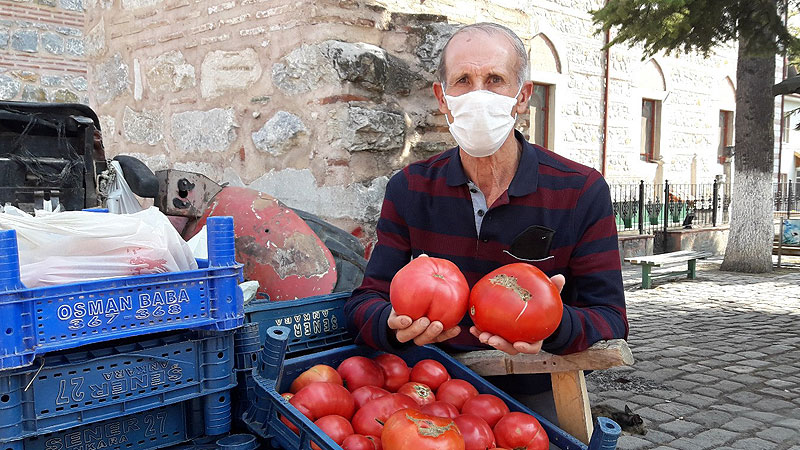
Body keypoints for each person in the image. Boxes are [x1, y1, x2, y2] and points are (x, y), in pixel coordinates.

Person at [344, 22, 627, 362]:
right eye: (463, 81)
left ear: (522, 96)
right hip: (432, 380)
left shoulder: (581, 190)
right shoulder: (409, 188)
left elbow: (611, 318)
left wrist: (552, 324)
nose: (478, 95)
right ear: (442, 99)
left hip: (538, 379)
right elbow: (364, 302)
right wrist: (391, 324)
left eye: (495, 80)